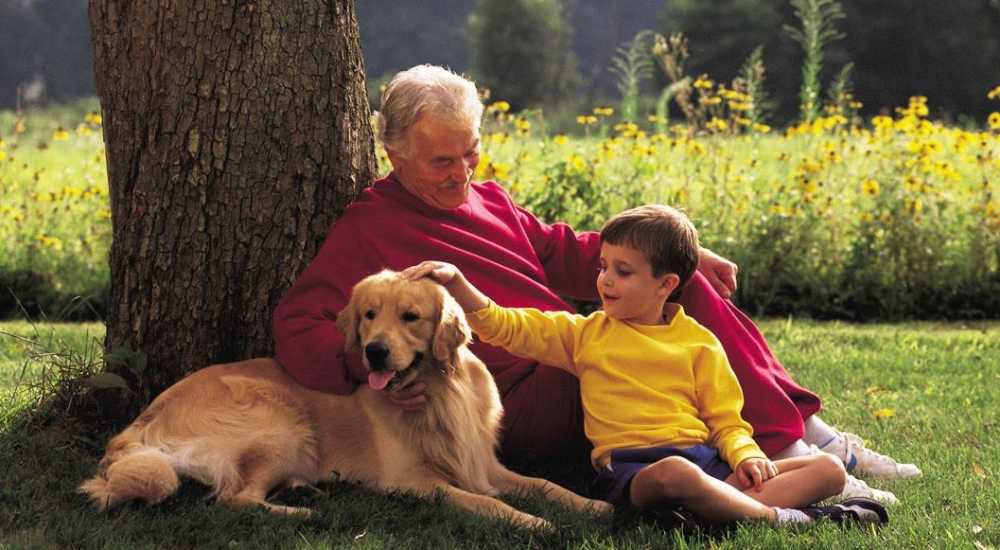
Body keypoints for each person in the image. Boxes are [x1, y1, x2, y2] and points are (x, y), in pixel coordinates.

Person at [271, 64, 919, 504]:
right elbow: (297, 325)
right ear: (395, 151)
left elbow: (566, 250)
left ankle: (809, 440)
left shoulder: (489, 199)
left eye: (471, 152)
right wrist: (369, 372)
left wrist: (689, 257)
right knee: (632, 341)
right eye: (443, 160)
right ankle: (786, 458)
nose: (462, 173)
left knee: (672, 283)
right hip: (520, 395)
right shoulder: (368, 229)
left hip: (576, 346)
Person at [398, 205, 888, 527]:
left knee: (826, 468)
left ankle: (714, 512)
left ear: (665, 285)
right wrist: (459, 285)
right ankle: (783, 518)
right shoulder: (585, 334)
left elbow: (726, 420)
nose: (605, 281)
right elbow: (505, 326)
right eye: (603, 267)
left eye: (622, 272)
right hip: (634, 472)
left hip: (708, 465)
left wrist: (744, 457)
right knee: (675, 474)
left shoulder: (699, 343)